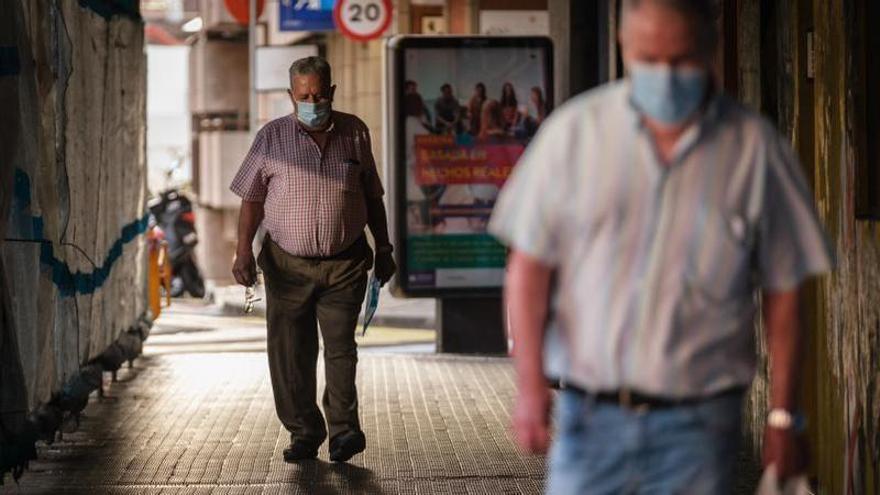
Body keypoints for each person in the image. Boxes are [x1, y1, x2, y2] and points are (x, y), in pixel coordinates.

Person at [488, 1, 834, 493]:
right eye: (650, 59)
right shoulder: (574, 136)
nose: (666, 76)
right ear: (626, 49)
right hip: (589, 420)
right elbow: (528, 270)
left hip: (700, 424)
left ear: (711, 51)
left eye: (682, 59)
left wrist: (782, 413)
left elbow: (786, 292)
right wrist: (529, 386)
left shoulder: (754, 150)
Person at [230, 56, 396, 464]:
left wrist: (386, 247)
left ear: (332, 92)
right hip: (286, 265)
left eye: (320, 94)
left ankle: (344, 431)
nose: (313, 101)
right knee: (291, 351)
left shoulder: (355, 132)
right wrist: (242, 251)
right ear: (291, 96)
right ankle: (304, 432)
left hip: (345, 263)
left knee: (341, 349)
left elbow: (373, 195)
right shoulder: (271, 138)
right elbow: (251, 199)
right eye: (304, 96)